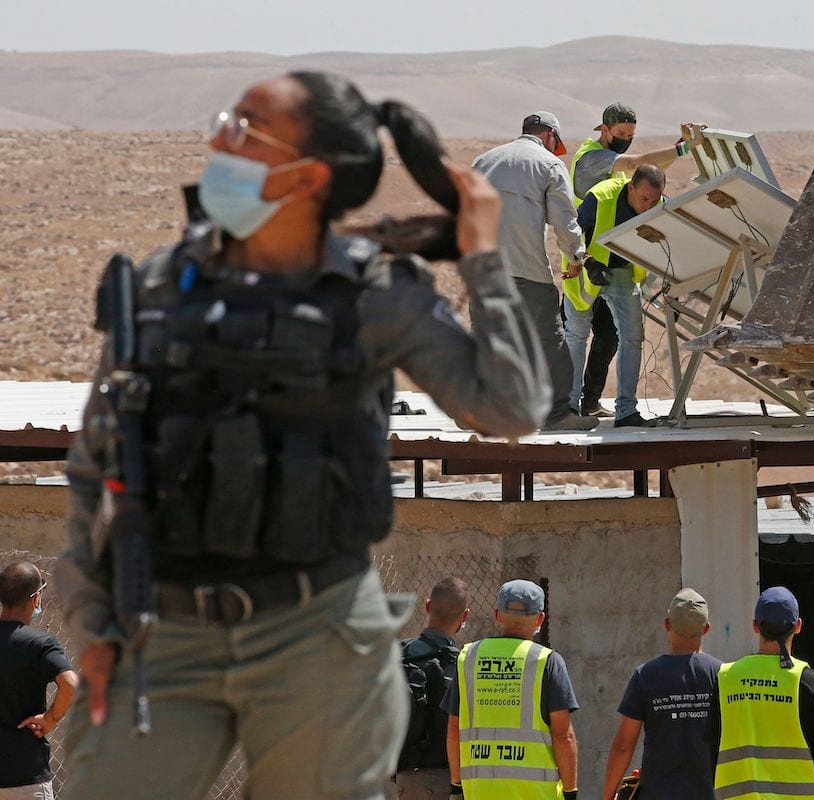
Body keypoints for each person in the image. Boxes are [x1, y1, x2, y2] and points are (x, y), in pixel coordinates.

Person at [54, 71, 551, 800]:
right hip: (166, 631)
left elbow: (511, 408)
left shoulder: (376, 292)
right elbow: (95, 463)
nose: (217, 139)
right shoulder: (162, 286)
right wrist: (92, 623)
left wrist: (482, 259)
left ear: (308, 175)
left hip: (317, 633)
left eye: (245, 129)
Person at [564, 103, 703, 418]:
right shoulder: (593, 161)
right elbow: (637, 163)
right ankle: (569, 406)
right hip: (584, 263)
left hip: (620, 269)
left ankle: (616, 408)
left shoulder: (648, 197)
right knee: (577, 334)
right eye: (621, 134)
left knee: (618, 337)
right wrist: (683, 149)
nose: (626, 139)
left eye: (631, 135)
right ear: (604, 129)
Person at [471, 112, 597, 431]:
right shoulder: (547, 163)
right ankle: (556, 414)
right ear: (551, 137)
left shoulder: (484, 161)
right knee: (548, 339)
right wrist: (575, 257)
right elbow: (565, 221)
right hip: (525, 268)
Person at [443, 580, 579, 799]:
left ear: (498, 615)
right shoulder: (547, 661)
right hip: (536, 794)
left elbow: (453, 727)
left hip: (480, 793)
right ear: (540, 619)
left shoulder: (469, 658)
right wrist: (571, 791)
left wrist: (457, 786)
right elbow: (563, 736)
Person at [712, 586, 814, 800]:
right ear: (798, 626)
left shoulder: (725, 678)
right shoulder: (812, 684)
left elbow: (708, 748)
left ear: (755, 626)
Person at [565, 164, 666, 427]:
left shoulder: (659, 205)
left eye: (654, 200)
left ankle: (626, 412)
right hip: (586, 271)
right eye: (644, 198)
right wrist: (586, 262)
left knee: (632, 337)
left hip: (622, 274)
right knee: (576, 334)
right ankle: (569, 408)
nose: (648, 206)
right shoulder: (601, 197)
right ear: (630, 187)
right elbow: (570, 234)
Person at [602, 588, 722, 800]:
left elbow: (623, 746)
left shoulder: (645, 675)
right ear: (706, 629)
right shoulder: (722, 675)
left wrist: (608, 795)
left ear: (667, 625)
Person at [0, 562, 78, 800]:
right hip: (24, 776)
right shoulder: (40, 644)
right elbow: (71, 684)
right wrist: (50, 719)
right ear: (35, 599)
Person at [395, 577, 471, 785]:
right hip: (444, 777)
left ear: (427, 605)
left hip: (398, 774)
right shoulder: (464, 664)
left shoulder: (397, 653)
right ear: (465, 616)